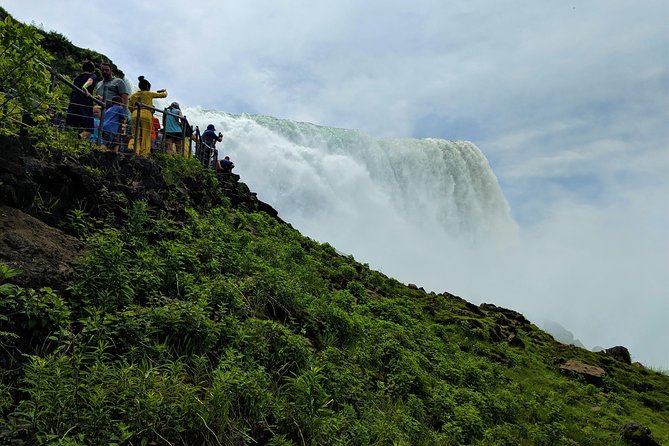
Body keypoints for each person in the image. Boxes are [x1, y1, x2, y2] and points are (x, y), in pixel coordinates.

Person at [127, 76, 167, 157]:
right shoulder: (148, 93)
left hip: (135, 113)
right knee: (146, 135)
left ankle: (133, 149)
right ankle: (144, 154)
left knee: (135, 134)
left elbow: (129, 106)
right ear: (148, 87)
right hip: (146, 113)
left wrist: (134, 112)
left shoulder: (133, 95)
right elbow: (163, 95)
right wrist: (164, 91)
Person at [65, 61, 97, 139]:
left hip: (74, 102)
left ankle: (69, 141)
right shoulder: (92, 75)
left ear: (82, 69)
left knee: (73, 126)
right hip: (85, 103)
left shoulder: (77, 78)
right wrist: (85, 88)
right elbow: (89, 81)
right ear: (93, 70)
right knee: (89, 129)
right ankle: (78, 139)